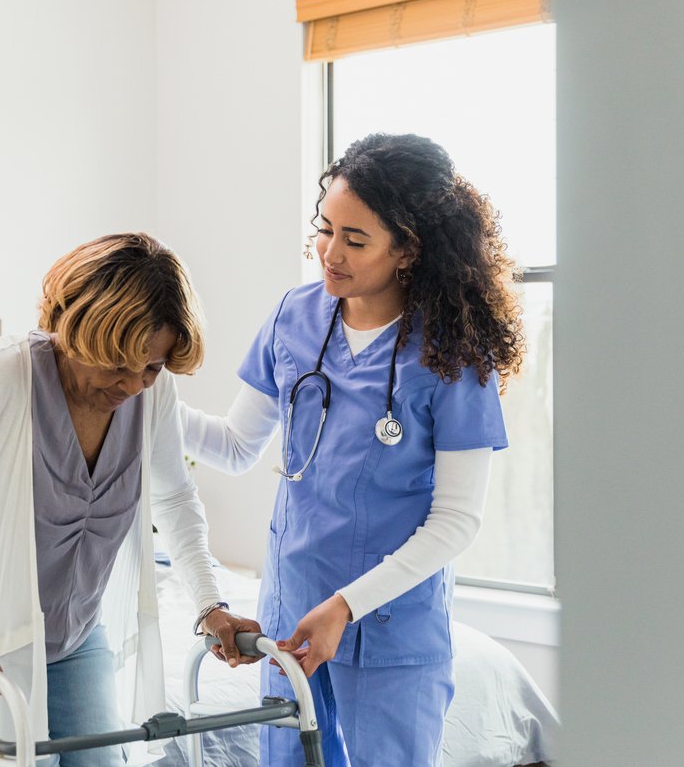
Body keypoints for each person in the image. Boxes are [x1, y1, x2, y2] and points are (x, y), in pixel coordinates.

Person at [181, 133, 526, 766]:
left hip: (392, 624)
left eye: (356, 240)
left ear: (409, 250)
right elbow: (233, 447)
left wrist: (346, 607)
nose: (329, 254)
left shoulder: (453, 354)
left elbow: (456, 522)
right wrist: (141, 397)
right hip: (292, 613)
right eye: (324, 229)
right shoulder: (294, 317)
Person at [0, 233, 260, 766]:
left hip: (76, 639)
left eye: (152, 366)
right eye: (118, 364)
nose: (133, 385)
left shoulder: (152, 393)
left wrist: (211, 604)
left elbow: (173, 499)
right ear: (75, 332)